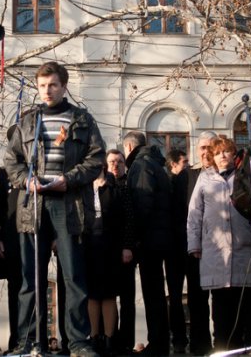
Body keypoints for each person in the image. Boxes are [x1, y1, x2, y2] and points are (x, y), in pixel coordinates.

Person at [4, 61, 105, 357]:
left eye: (53, 85)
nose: (47, 91)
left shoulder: (82, 120)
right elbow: (12, 161)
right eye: (42, 85)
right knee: (30, 278)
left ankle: (77, 342)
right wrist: (27, 180)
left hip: (69, 204)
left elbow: (95, 158)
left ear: (64, 86)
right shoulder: (27, 120)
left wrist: (68, 180)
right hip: (33, 205)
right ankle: (28, 342)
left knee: (73, 276)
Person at [187, 137, 251, 350]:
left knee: (244, 303)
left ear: (234, 153)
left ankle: (245, 346)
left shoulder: (245, 176)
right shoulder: (205, 178)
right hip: (214, 250)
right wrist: (194, 244)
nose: (223, 156)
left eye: (227, 151)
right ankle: (222, 347)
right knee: (220, 306)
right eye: (218, 153)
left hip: (244, 247)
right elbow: (194, 213)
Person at [123, 130, 172, 355]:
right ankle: (159, 340)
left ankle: (158, 343)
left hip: (149, 239)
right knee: (156, 292)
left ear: (129, 146)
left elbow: (142, 201)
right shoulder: (156, 163)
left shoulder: (141, 165)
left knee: (152, 292)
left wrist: (137, 238)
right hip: (160, 235)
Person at [85, 164, 134, 355]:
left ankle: (109, 338)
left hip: (111, 246)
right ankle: (94, 337)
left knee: (109, 293)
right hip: (90, 246)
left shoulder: (116, 190)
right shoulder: (85, 190)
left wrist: (126, 246)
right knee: (92, 293)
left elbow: (127, 220)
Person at [185, 131, 218, 355]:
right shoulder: (188, 176)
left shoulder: (227, 173)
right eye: (202, 148)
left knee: (222, 299)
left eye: (210, 148)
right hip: (195, 248)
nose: (206, 152)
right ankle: (200, 345)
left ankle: (224, 342)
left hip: (221, 246)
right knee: (197, 300)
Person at [0, 125, 23, 354]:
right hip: (12, 241)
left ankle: (36, 338)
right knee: (15, 291)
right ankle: (16, 341)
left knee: (36, 288)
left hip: (35, 238)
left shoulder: (39, 168)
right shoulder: (5, 173)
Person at [106, 149, 137, 354]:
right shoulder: (103, 185)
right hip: (106, 250)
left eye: (118, 161)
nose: (115, 165)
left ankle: (126, 341)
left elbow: (130, 219)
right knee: (107, 297)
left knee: (126, 299)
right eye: (111, 161)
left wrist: (127, 246)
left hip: (124, 249)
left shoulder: (128, 186)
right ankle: (110, 338)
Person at [164, 148, 190, 352]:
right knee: (174, 295)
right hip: (175, 245)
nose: (188, 165)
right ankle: (179, 339)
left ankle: (181, 340)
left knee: (183, 295)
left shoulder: (186, 181)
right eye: (184, 162)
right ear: (173, 165)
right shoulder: (169, 184)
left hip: (183, 244)